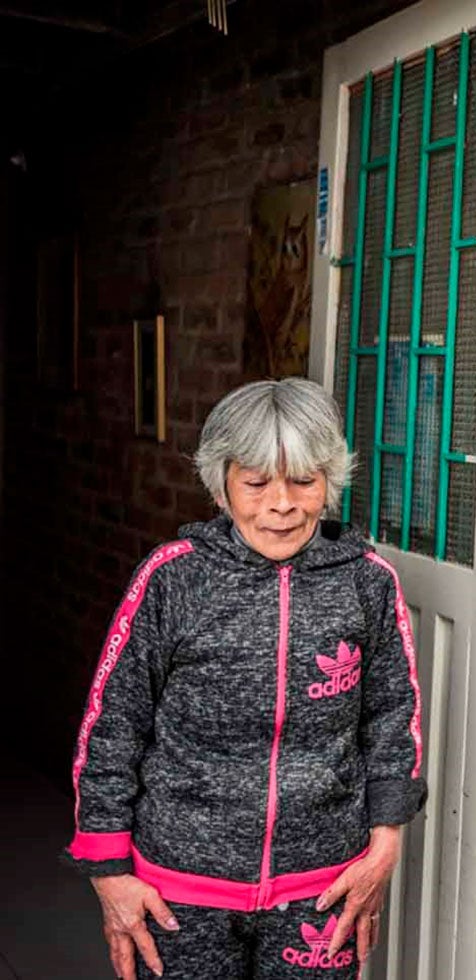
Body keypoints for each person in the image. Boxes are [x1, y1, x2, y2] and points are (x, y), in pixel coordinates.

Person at [65, 378, 425, 980]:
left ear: (329, 482)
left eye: (304, 480)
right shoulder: (172, 580)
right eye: (257, 482)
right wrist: (108, 872)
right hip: (178, 891)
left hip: (323, 888)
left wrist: (384, 849)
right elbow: (112, 727)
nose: (282, 504)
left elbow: (392, 721)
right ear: (222, 484)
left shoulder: (368, 582)